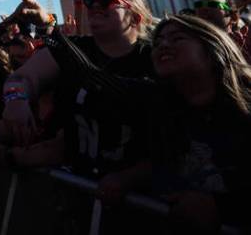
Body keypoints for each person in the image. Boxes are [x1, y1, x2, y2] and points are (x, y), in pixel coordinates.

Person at [46, 14, 251, 233]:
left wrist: (222, 207)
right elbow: (92, 77)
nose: (163, 45)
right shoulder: (156, 100)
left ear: (213, 50)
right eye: (158, 41)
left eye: (177, 39)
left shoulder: (244, 110)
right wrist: (47, 26)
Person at [0, 0, 155, 179]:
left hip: (140, 195)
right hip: (78, 186)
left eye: (107, 0)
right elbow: (21, 78)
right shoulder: (76, 48)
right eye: (90, 0)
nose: (95, 6)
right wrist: (16, 98)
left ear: (135, 18)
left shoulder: (155, 57)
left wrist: (130, 178)